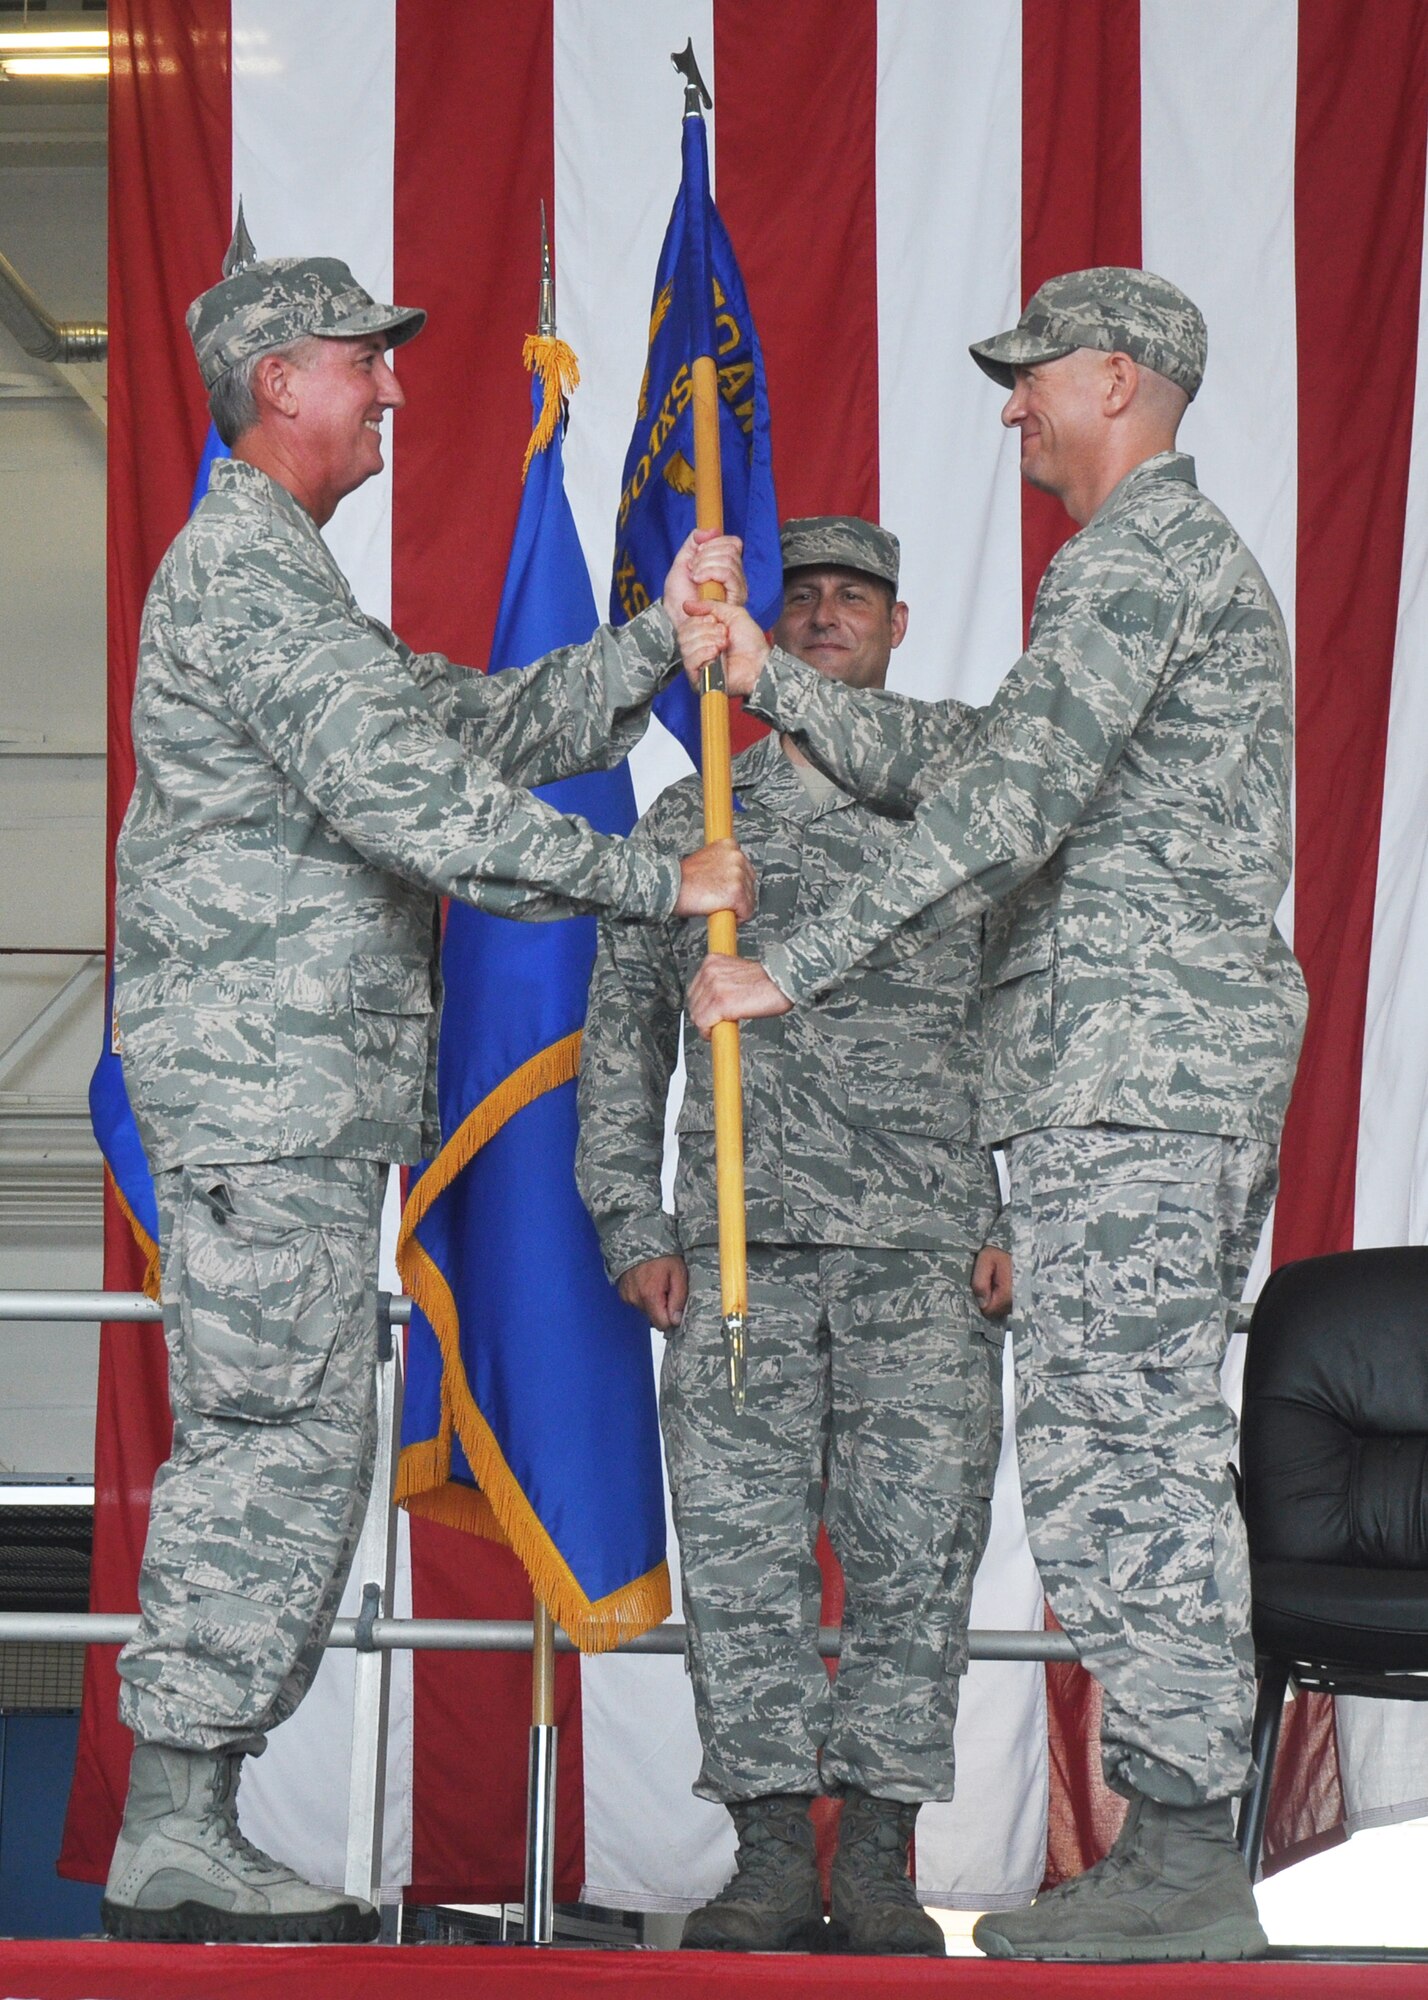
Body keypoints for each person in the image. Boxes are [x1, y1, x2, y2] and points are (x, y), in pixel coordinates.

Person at [102, 255, 754, 1945]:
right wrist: (648, 879)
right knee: (271, 1440)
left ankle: (189, 1813)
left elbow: (473, 721)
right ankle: (174, 1822)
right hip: (266, 1094)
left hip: (301, 1099)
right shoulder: (243, 576)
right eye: (363, 362)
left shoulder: (290, 582)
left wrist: (653, 646)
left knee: (297, 1441)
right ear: (278, 383)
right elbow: (411, 796)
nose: (394, 387)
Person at [677, 270, 1308, 1964]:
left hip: (1135, 1075)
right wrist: (775, 679)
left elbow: (1008, 802)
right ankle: (1178, 1848)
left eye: (1034, 377)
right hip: (1129, 1074)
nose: (1013, 407)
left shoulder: (1142, 557)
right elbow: (981, 756)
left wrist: (791, 966)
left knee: (1124, 1454)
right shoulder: (1142, 566)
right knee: (1117, 1446)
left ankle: (1184, 1855)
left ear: (1118, 378)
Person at [576, 517, 1012, 1956]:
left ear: (898, 626)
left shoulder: (957, 793)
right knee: (743, 1560)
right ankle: (767, 1854)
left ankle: (879, 1857)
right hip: (738, 1252)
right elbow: (622, 1040)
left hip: (924, 1252)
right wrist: (631, 1217)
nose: (827, 616)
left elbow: (1025, 1010)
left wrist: (1007, 1208)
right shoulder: (696, 816)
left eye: (855, 600)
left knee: (913, 1560)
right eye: (803, 596)